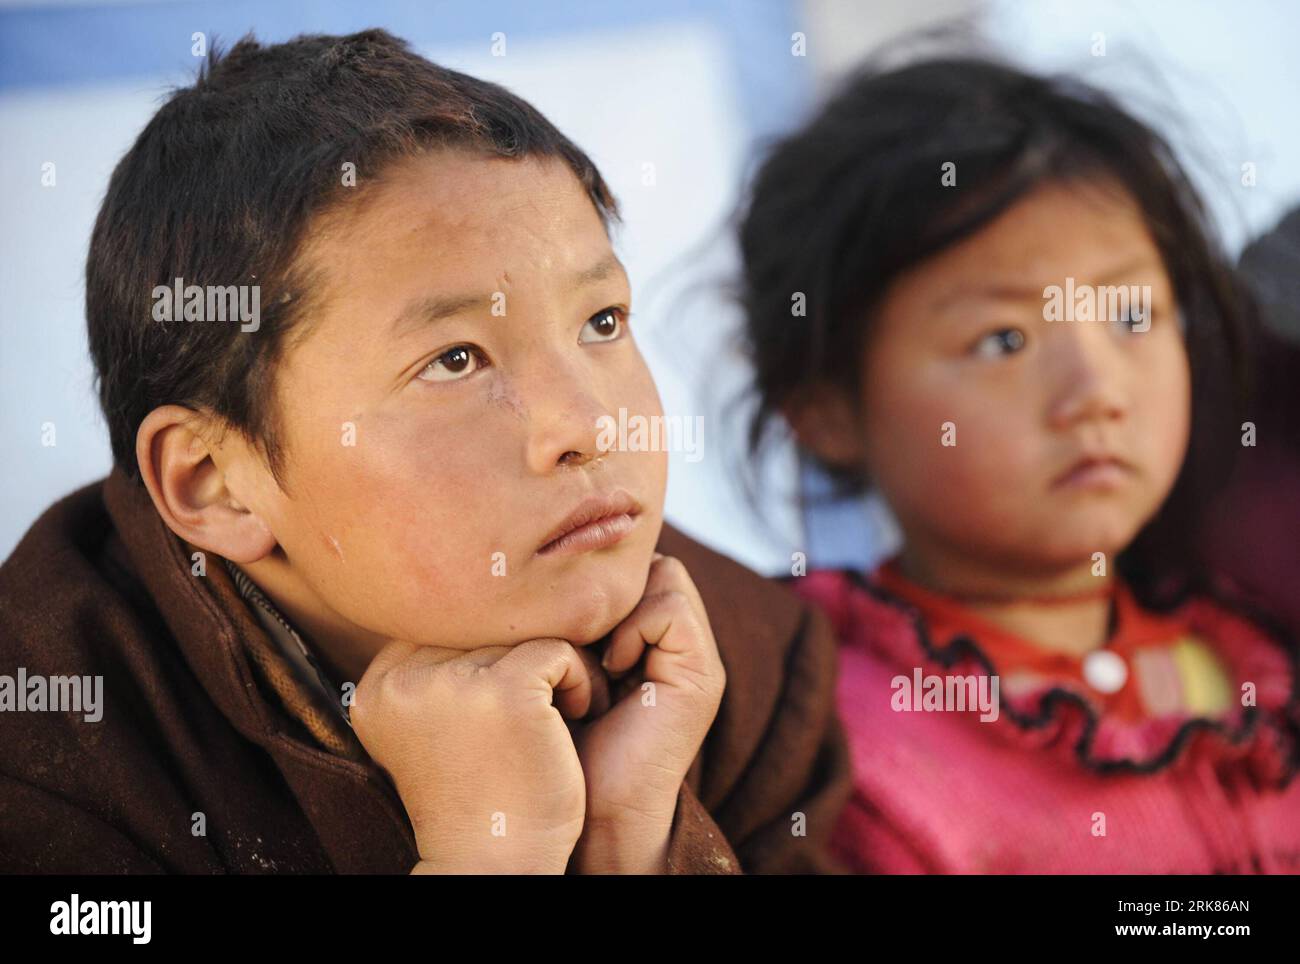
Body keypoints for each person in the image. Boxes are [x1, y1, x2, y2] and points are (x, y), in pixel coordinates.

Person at [0, 29, 851, 874]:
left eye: (601, 322)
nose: (591, 427)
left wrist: (635, 838)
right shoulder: (53, 754)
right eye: (454, 360)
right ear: (215, 482)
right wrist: (492, 858)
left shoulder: (739, 672)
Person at [736, 56, 1300, 873]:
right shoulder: (850, 750)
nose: (1097, 392)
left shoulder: (1256, 661)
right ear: (825, 410)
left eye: (1132, 316)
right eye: (1004, 340)